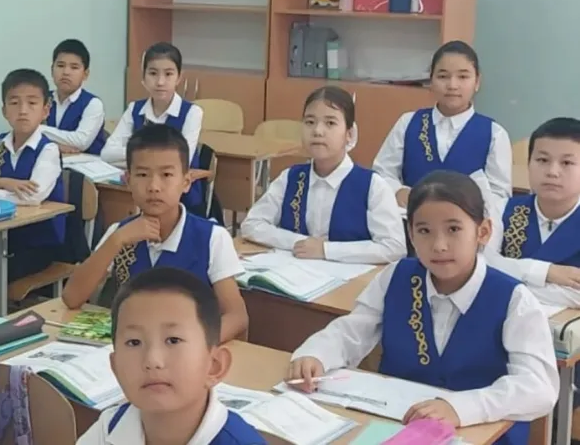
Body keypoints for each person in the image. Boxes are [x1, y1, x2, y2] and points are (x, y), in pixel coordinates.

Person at [288, 171, 558, 443]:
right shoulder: (396, 277)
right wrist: (316, 354)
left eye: (453, 229)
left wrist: (461, 408)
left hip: (481, 434)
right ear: (411, 234)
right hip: (397, 426)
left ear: (483, 232)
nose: (439, 245)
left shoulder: (513, 299)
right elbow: (352, 330)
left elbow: (539, 387)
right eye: (424, 231)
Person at [63, 124, 247, 343]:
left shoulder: (212, 238)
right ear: (128, 181)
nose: (154, 186)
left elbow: (236, 316)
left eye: (166, 174)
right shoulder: (120, 233)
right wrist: (116, 241)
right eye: (142, 174)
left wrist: (195, 345)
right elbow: (72, 298)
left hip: (189, 350)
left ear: (186, 182)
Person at [77, 267, 263, 444]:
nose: (152, 360)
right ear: (115, 367)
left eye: (173, 340)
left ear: (215, 366)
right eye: (134, 342)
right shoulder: (109, 428)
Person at [241, 86, 405, 264]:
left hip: (350, 278)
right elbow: (252, 224)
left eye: (330, 123)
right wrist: (299, 243)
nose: (317, 131)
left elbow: (394, 247)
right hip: (295, 272)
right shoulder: (290, 178)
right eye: (310, 122)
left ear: (349, 134)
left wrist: (326, 250)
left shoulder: (372, 185)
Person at [0, 68, 65, 317]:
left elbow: (33, 196)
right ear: (4, 110)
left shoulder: (48, 150)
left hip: (39, 242)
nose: (23, 110)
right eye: (15, 103)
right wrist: (0, 182)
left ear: (45, 110)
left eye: (32, 103)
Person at [373, 41, 512, 213]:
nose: (452, 85)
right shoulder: (408, 123)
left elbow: (499, 195)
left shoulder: (494, 134)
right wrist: (397, 191)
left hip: (467, 226)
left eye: (463, 77)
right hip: (410, 221)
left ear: (477, 82)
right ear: (431, 80)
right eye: (443, 76)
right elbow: (382, 173)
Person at [101, 42, 206, 215]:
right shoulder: (134, 109)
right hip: (141, 194)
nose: (160, 82)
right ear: (143, 77)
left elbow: (181, 161)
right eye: (153, 73)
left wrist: (138, 159)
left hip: (182, 200)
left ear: (179, 77)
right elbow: (107, 154)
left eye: (168, 74)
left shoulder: (192, 113)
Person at [485, 117, 580, 306]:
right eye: (542, 160)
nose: (552, 172)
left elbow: (487, 281)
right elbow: (480, 265)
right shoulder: (501, 209)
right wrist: (546, 272)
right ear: (528, 163)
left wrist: (505, 280)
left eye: (567, 163)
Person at [44, 39, 107, 154]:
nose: (66, 72)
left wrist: (39, 130)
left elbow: (81, 142)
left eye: (74, 67)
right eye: (60, 65)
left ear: (85, 74)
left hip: (87, 163)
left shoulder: (93, 104)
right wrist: (57, 146)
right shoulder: (42, 99)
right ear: (52, 70)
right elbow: (23, 135)